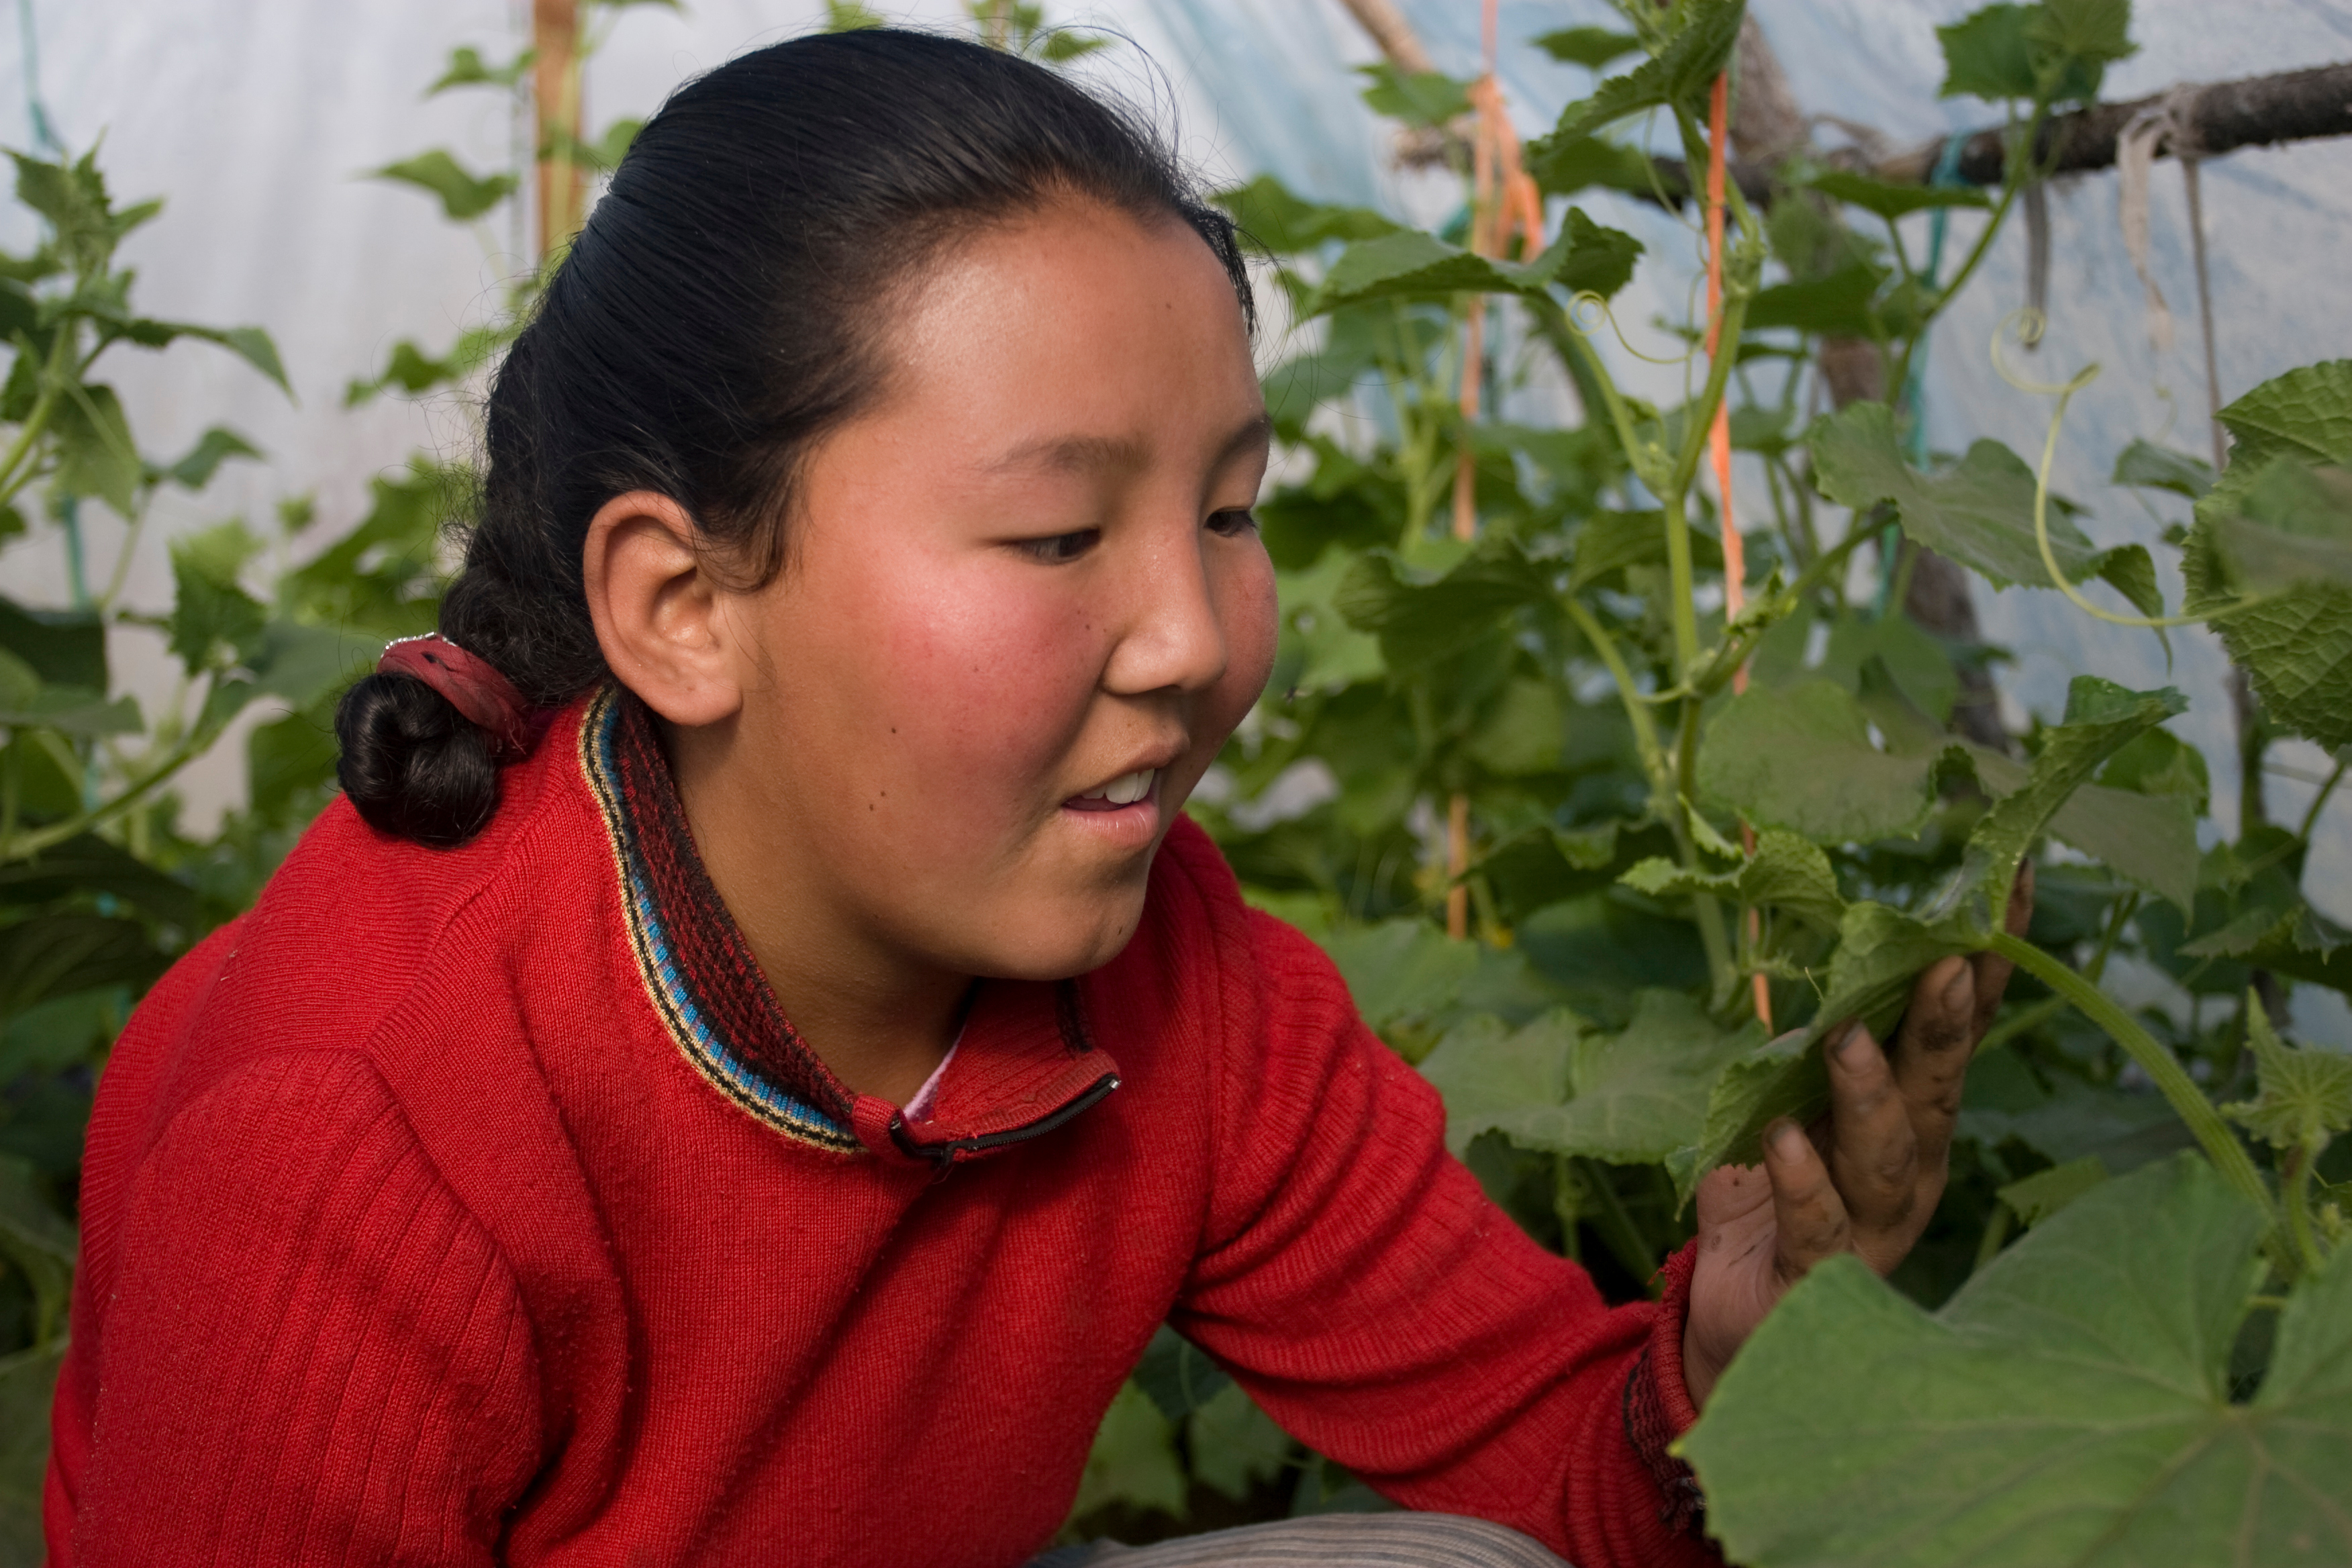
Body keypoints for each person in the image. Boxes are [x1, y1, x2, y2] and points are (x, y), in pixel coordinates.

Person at [44, 28, 2028, 1568]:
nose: (1192, 631)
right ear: (680, 607)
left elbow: (1554, 1478)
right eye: (1062, 529)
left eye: (1230, 511)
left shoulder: (1178, 980)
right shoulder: (355, 1147)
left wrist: (1716, 1387)